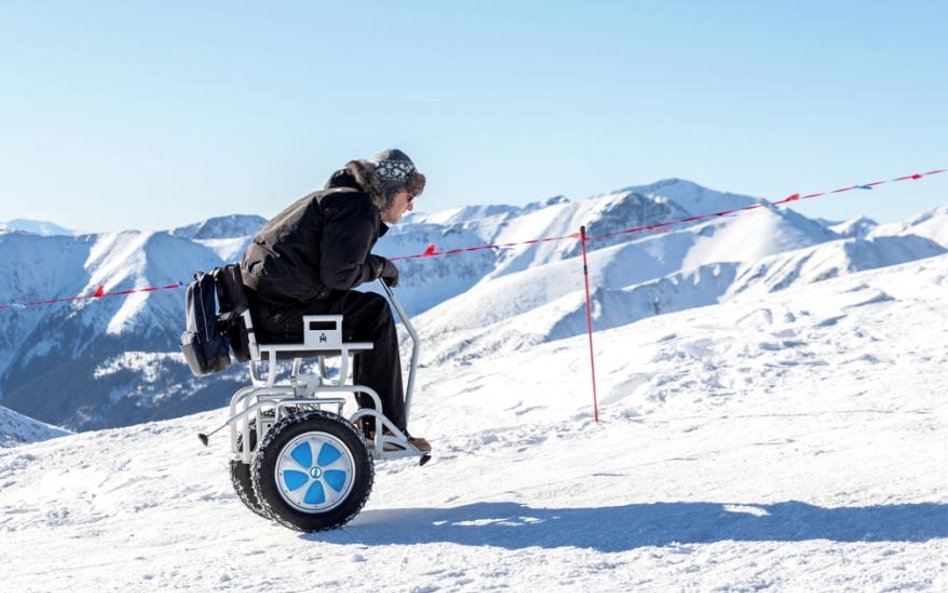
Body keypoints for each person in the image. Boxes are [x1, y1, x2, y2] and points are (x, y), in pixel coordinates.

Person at [240, 149, 430, 453]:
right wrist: (380, 267)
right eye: (409, 194)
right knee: (375, 313)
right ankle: (383, 429)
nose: (410, 205)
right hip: (282, 312)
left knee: (366, 310)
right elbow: (339, 274)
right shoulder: (356, 208)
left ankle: (379, 425)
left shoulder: (339, 200)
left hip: (268, 307)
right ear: (391, 191)